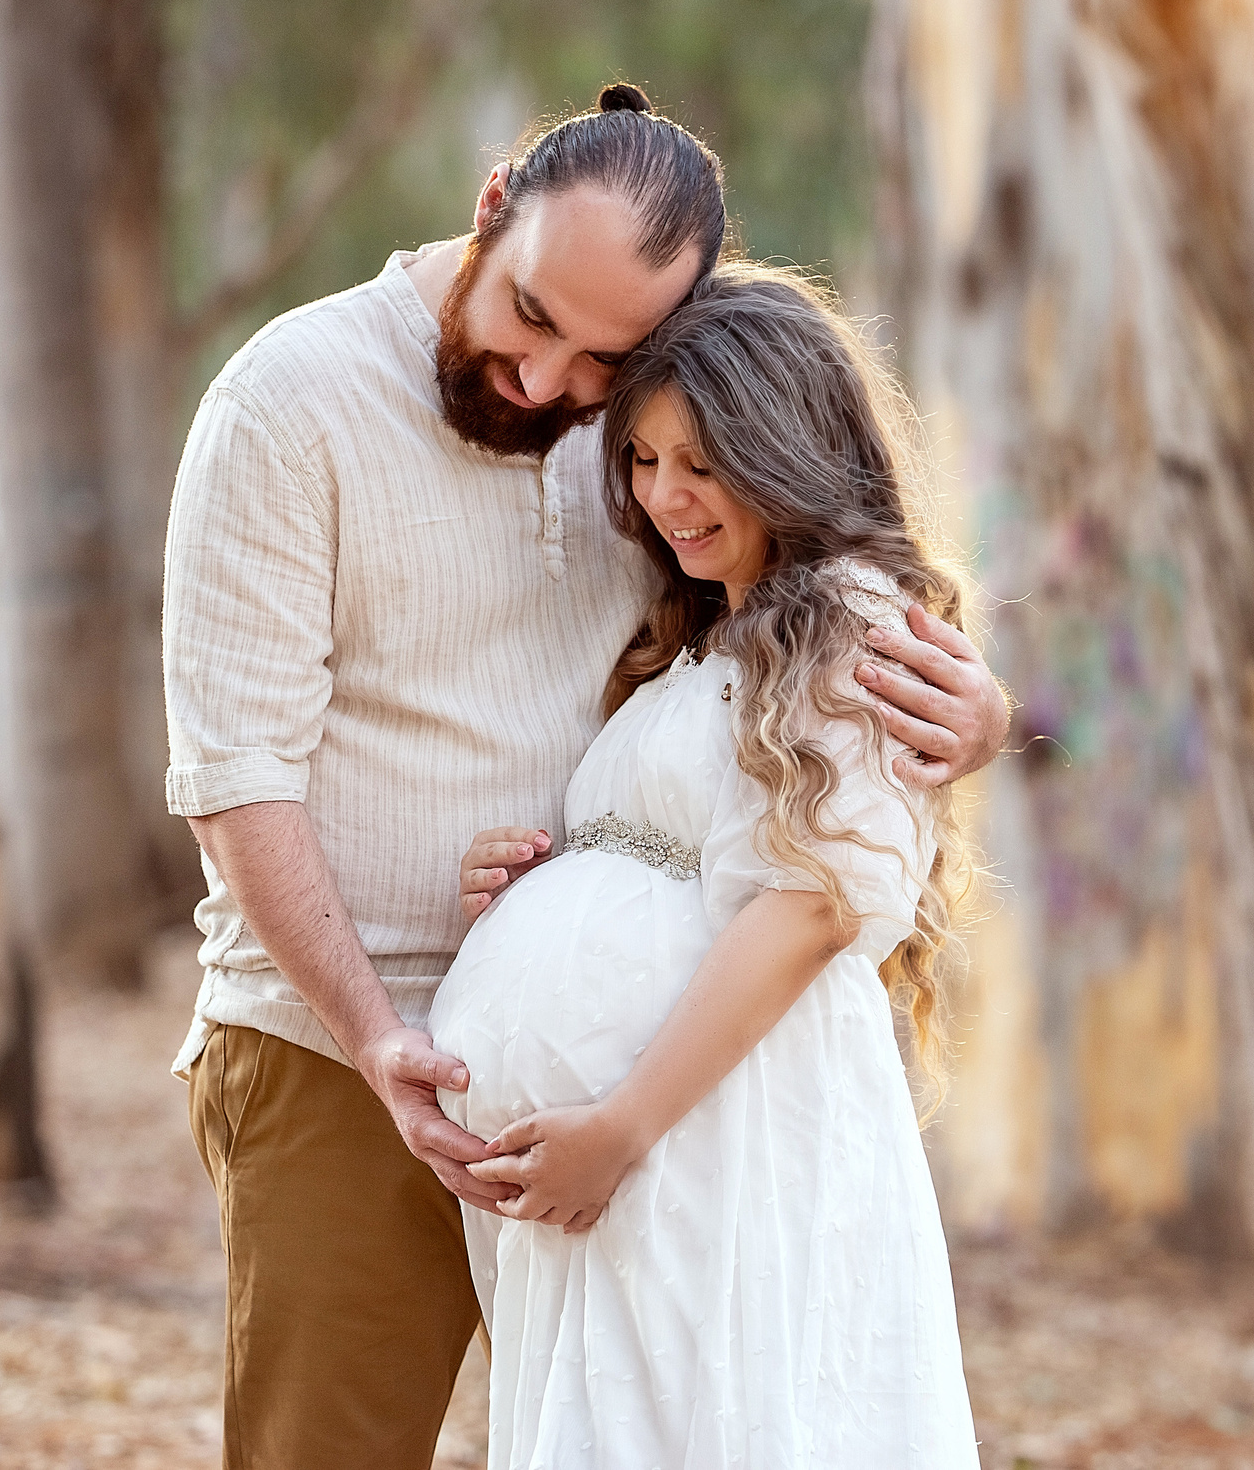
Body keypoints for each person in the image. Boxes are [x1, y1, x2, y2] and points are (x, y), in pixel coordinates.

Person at [163, 84, 1010, 1468]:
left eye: (605, 362)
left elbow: (788, 669)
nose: (552, 383)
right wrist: (381, 1031)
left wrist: (965, 717)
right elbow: (237, 776)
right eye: (533, 317)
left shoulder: (651, 427)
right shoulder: (287, 402)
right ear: (493, 206)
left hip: (651, 1101)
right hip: (336, 1048)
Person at [430, 265, 982, 1467]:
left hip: (715, 1139)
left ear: (787, 447)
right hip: (652, 1165)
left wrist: (623, 1125)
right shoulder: (709, 633)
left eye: (702, 462)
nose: (667, 497)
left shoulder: (853, 623)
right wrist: (534, 888)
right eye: (643, 460)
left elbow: (809, 910)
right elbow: (677, 871)